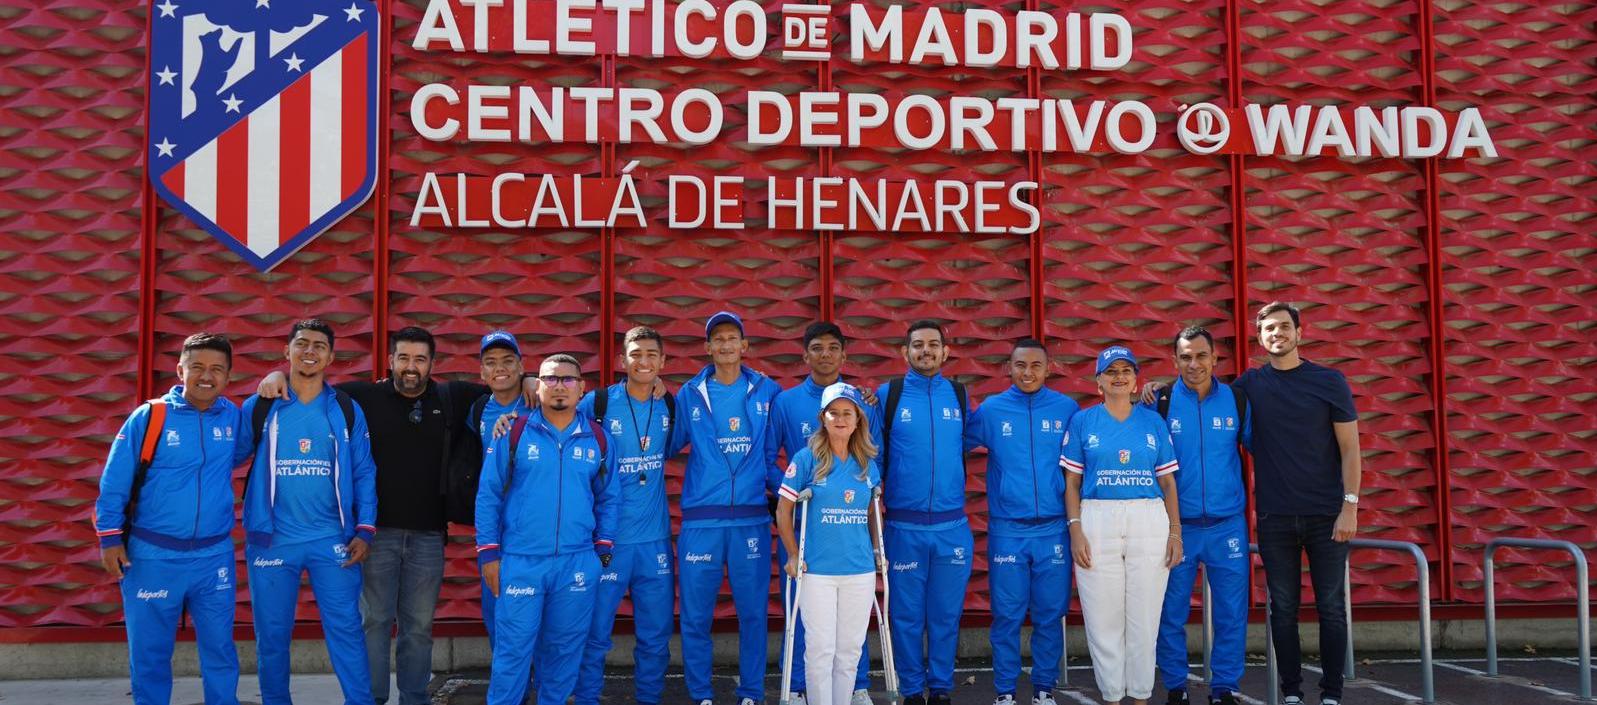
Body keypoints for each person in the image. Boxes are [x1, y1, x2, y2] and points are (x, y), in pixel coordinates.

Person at [256, 326, 517, 705]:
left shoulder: (453, 396)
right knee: (374, 622)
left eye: (420, 359)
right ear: (391, 360)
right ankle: (371, 699)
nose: (412, 367)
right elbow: (309, 382)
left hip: (429, 536)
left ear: (432, 364)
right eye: (404, 358)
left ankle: (414, 697)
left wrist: (528, 382)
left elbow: (502, 384)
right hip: (376, 535)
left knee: (418, 627)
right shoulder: (361, 397)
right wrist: (276, 375)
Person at [94, 332, 245, 705]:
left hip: (214, 558)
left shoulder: (234, 418)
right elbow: (115, 480)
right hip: (154, 556)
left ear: (227, 376)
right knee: (150, 655)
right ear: (180, 370)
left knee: (221, 652)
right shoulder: (150, 417)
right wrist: (110, 538)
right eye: (197, 367)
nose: (206, 376)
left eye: (216, 369)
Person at [238, 319, 378, 705]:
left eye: (319, 345)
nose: (310, 351)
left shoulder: (346, 409)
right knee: (272, 635)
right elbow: (227, 457)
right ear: (287, 351)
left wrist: (364, 529)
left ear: (331, 357)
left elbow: (364, 470)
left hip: (331, 539)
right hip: (272, 542)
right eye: (301, 344)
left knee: (346, 629)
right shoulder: (262, 406)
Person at [476, 353, 619, 705]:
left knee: (563, 653)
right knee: (512, 654)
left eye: (568, 379)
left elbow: (610, 498)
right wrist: (489, 554)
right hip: (521, 562)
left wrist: (601, 549)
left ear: (581, 388)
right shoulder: (514, 431)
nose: (559, 386)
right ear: (537, 386)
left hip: (576, 563)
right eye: (551, 379)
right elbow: (488, 494)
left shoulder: (597, 439)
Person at [1237, 302, 1361, 705]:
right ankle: (1292, 693)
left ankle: (1331, 694)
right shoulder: (1250, 384)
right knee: (1284, 609)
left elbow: (1350, 449)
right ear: (1260, 338)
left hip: (1327, 515)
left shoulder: (1329, 381)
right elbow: (1202, 392)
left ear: (1299, 333)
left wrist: (1350, 506)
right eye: (1269, 328)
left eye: (1284, 327)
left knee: (1331, 607)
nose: (1277, 333)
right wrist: (1156, 390)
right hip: (1275, 516)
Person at [669, 310, 783, 705]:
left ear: (744, 346)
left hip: (750, 519)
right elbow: (667, 442)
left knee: (753, 615)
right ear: (707, 347)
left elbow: (793, 435)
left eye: (732, 337)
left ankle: (751, 692)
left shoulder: (768, 391)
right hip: (702, 520)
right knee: (697, 617)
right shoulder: (690, 393)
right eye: (717, 338)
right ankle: (701, 694)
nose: (725, 344)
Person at [1061, 346, 1181, 705]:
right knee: (1102, 619)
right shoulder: (1083, 421)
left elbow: (1169, 483)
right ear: (1098, 381)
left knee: (1144, 619)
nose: (1118, 376)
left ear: (1135, 380)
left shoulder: (1153, 422)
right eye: (1110, 371)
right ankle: (1112, 696)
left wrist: (1175, 532)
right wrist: (1076, 529)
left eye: (1126, 371)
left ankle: (1141, 696)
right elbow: (1071, 483)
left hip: (1148, 518)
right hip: (1097, 517)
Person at [767, 322, 879, 705]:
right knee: (819, 648)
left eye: (848, 413)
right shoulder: (805, 457)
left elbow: (870, 513)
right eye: (834, 413)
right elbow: (782, 508)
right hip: (815, 565)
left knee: (848, 649)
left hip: (858, 567)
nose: (841, 419)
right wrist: (794, 554)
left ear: (858, 417)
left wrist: (878, 552)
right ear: (823, 417)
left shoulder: (868, 462)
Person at [963, 337, 1079, 705]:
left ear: (1049, 368)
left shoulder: (1067, 409)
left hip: (1054, 529)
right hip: (1007, 530)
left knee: (1049, 614)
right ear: (1008, 368)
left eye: (1035, 366)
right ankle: (1005, 692)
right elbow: (955, 442)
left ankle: (1044, 688)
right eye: (1020, 366)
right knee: (1007, 617)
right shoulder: (993, 410)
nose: (1027, 373)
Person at [573, 326, 684, 705]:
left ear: (663, 361)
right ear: (623, 360)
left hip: (654, 542)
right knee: (595, 633)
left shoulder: (670, 404)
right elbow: (559, 419)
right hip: (608, 541)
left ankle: (648, 700)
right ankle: (587, 698)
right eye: (636, 354)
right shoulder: (599, 404)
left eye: (652, 354)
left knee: (655, 636)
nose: (644, 361)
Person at [1149, 327, 1251, 705]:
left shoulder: (1238, 401)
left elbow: (1262, 445)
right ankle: (1176, 686)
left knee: (1231, 613)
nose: (1194, 364)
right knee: (1171, 611)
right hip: (1178, 527)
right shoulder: (1159, 402)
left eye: (1201, 356)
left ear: (1215, 359)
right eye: (1186, 357)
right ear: (1175, 361)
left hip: (1228, 526)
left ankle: (1224, 687)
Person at [875, 319, 973, 705]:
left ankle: (942, 688)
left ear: (946, 353)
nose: (926, 351)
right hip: (904, 526)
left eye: (934, 345)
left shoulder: (961, 396)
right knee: (906, 617)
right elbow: (873, 458)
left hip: (952, 526)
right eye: (918, 345)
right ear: (905, 352)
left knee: (945, 617)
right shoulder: (889, 395)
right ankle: (913, 690)